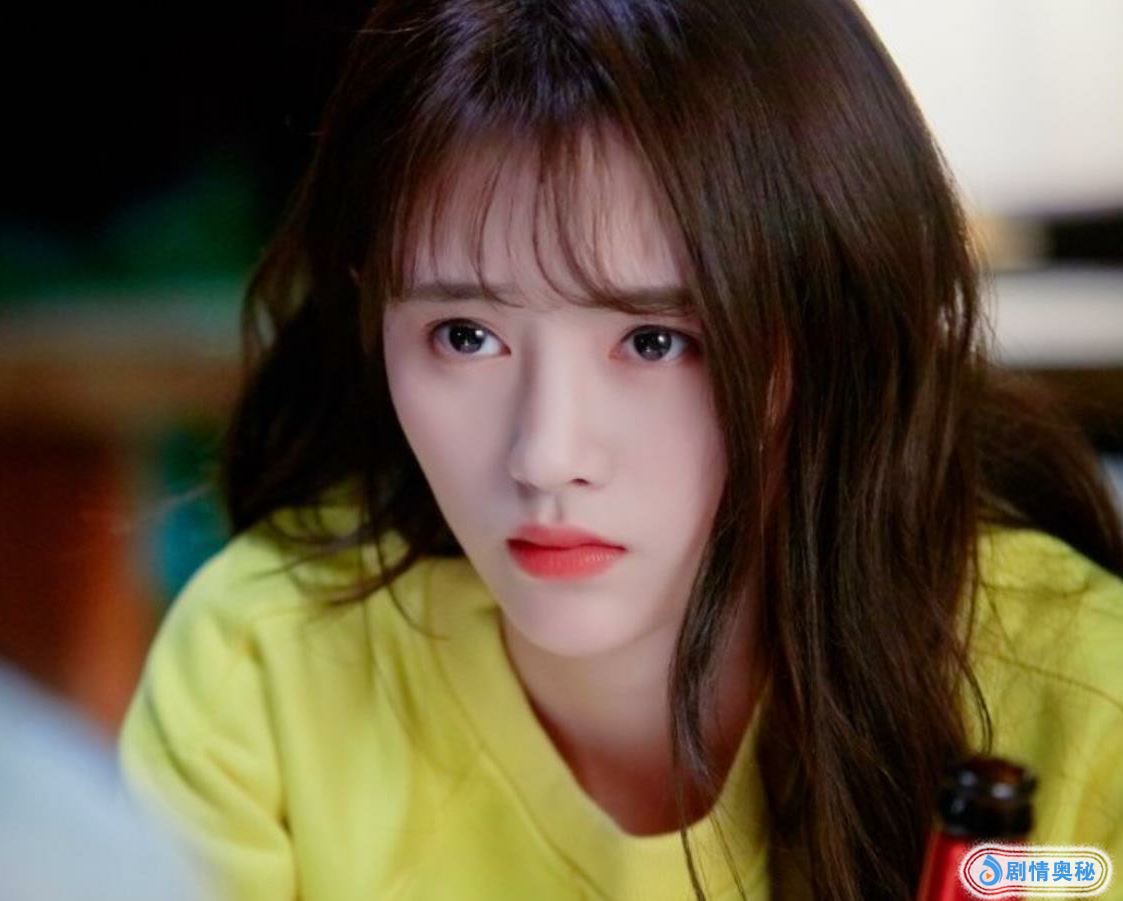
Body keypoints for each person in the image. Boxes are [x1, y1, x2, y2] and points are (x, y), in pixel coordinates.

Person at [117, 1, 1123, 899]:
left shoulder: (1084, 704)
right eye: (464, 335)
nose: (545, 455)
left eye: (654, 342)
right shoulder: (265, 666)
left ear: (836, 328)